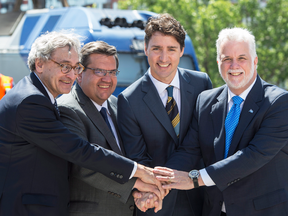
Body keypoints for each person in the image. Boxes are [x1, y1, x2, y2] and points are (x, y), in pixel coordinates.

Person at [0, 31, 166, 216]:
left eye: (74, 67)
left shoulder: (39, 96)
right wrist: (137, 172)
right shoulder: (31, 101)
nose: (70, 75)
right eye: (64, 66)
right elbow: (79, 151)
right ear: (39, 64)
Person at [154, 27, 288, 216]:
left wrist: (195, 179)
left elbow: (252, 156)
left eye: (242, 58)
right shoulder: (205, 101)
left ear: (255, 61)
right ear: (218, 62)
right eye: (227, 59)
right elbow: (189, 150)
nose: (234, 66)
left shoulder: (279, 103)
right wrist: (158, 183)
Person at [117, 13, 212, 216]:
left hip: (201, 198)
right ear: (145, 49)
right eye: (156, 49)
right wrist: (157, 190)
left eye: (171, 49)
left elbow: (203, 141)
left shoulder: (201, 84)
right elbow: (137, 158)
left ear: (182, 51)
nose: (163, 58)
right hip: (156, 203)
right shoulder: (128, 100)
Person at [57, 41, 160, 216]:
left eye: (112, 72)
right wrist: (136, 184)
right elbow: (82, 166)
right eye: (99, 71)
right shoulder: (67, 109)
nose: (107, 78)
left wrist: (144, 192)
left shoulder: (118, 104)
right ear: (79, 73)